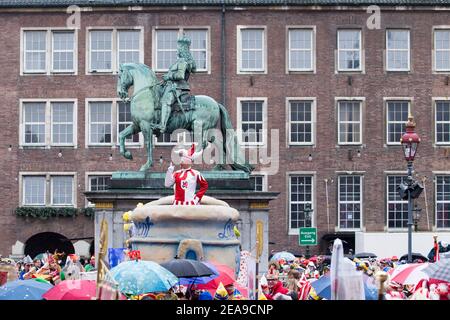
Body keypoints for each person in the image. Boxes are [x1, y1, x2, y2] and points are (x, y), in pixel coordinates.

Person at [157, 35, 196, 134]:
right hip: (172, 86)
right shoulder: (178, 62)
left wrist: (169, 76)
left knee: (166, 101)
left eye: (178, 49)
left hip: (179, 87)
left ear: (182, 50)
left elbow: (180, 75)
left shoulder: (182, 62)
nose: (176, 50)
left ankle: (162, 125)